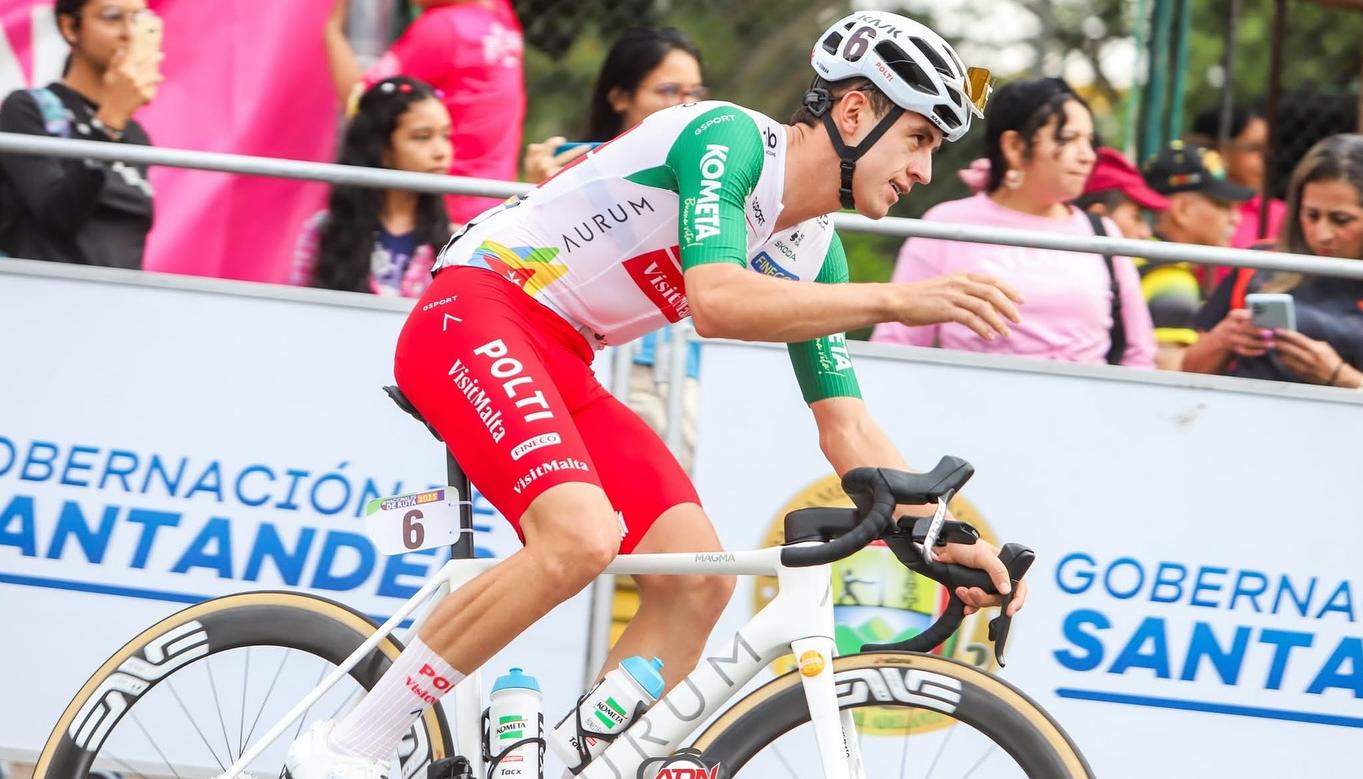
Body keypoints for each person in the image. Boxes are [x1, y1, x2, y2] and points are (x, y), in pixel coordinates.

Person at [284, 12, 1028, 777]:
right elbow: (717, 299)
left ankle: (562, 764)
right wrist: (900, 301)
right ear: (852, 111)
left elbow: (845, 427)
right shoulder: (729, 139)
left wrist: (943, 534)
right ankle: (345, 748)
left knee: (696, 581)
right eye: (918, 139)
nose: (923, 170)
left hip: (565, 359)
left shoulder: (815, 251)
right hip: (477, 308)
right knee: (578, 537)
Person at [870, 77, 1156, 368]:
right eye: (1068, 139)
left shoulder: (1103, 234)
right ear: (1015, 146)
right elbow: (897, 343)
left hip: (1089, 408)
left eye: (1089, 141)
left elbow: (1140, 354)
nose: (1087, 156)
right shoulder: (946, 225)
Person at [525, 27, 710, 471]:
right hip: (597, 362)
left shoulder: (714, 170)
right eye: (668, 90)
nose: (685, 104)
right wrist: (540, 189)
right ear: (619, 97)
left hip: (684, 365)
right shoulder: (580, 172)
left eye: (696, 92)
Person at [1184, 134, 1363, 389]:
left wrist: (1340, 377)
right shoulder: (1260, 264)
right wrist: (1225, 339)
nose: (1322, 233)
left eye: (1341, 219)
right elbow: (1186, 374)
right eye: (1311, 215)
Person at [323, 0, 524, 225]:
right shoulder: (501, 16)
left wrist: (332, 32)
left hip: (440, 217)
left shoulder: (442, 29)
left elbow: (364, 106)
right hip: (492, 211)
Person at [0, 0, 161, 268]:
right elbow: (58, 216)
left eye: (138, 19)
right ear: (70, 27)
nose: (129, 33)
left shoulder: (134, 135)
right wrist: (108, 125)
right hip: (46, 299)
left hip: (121, 304)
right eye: (112, 17)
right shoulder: (28, 110)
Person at [291, 76, 453, 297]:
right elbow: (298, 313)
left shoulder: (455, 242)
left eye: (446, 136)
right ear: (382, 149)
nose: (441, 152)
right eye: (422, 137)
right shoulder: (323, 232)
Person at [1128, 141, 1254, 370]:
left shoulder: (1146, 256)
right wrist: (1225, 339)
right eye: (1223, 205)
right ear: (1182, 210)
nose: (1236, 219)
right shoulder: (1171, 278)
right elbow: (1169, 370)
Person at [1191, 104, 1287, 253]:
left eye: (1267, 150)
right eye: (1255, 148)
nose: (1265, 159)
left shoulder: (1280, 214)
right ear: (1221, 149)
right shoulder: (1198, 207)